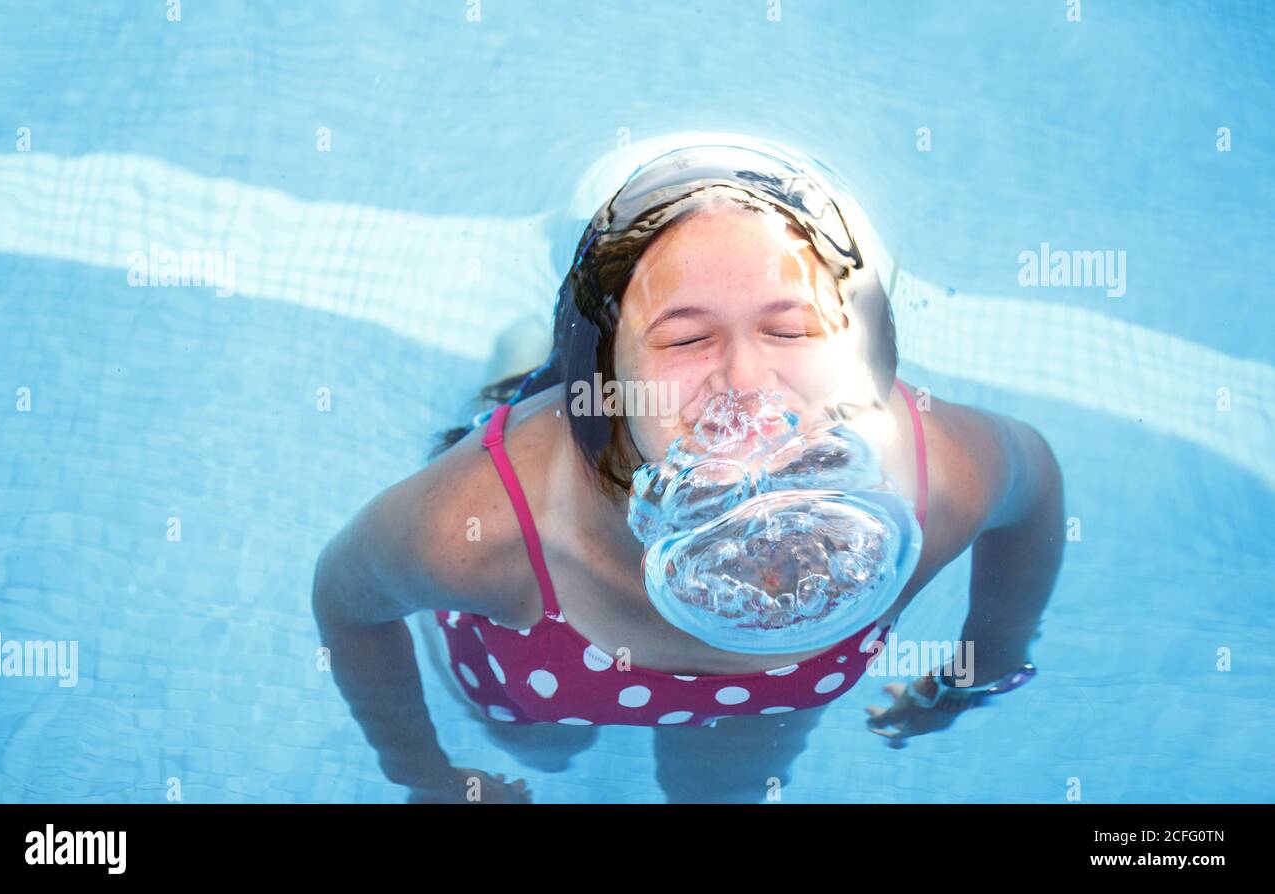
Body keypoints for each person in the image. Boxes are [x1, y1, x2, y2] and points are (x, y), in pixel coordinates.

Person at [312, 143, 1064, 803]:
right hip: (534, 660)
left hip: (765, 702)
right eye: (685, 339)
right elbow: (347, 602)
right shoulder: (482, 529)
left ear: (857, 351)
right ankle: (520, 374)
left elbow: (1035, 483)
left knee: (725, 793)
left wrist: (986, 666)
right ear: (605, 380)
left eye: (791, 328)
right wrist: (424, 775)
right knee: (541, 749)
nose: (747, 379)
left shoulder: (931, 484)